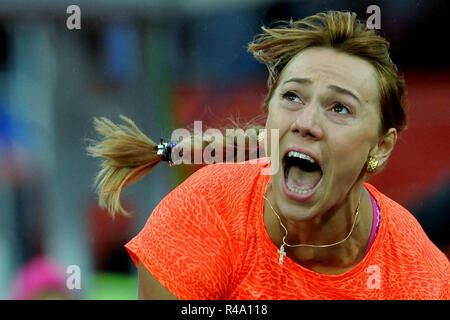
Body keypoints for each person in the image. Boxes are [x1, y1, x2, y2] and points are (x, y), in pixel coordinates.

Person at [87, 11, 449, 299]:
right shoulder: (203, 212)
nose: (306, 122)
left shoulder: (421, 278)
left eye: (339, 108)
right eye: (293, 96)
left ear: (380, 147)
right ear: (268, 112)